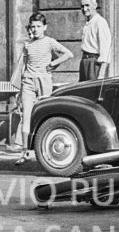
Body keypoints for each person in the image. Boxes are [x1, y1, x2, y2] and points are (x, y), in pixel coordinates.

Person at [9, 12, 74, 165]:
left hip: (44, 81)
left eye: (39, 26)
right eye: (33, 27)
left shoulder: (50, 42)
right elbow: (23, 66)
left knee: (46, 114)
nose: (36, 29)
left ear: (45, 27)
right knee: (26, 116)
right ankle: (24, 152)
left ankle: (45, 150)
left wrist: (53, 64)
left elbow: (68, 54)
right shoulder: (27, 44)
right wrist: (19, 89)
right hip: (28, 82)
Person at [78, 0, 111, 81]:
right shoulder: (88, 23)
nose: (84, 9)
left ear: (94, 5)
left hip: (94, 64)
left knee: (93, 92)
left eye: (87, 5)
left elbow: (106, 50)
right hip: (85, 62)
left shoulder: (100, 22)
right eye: (82, 6)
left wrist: (101, 74)